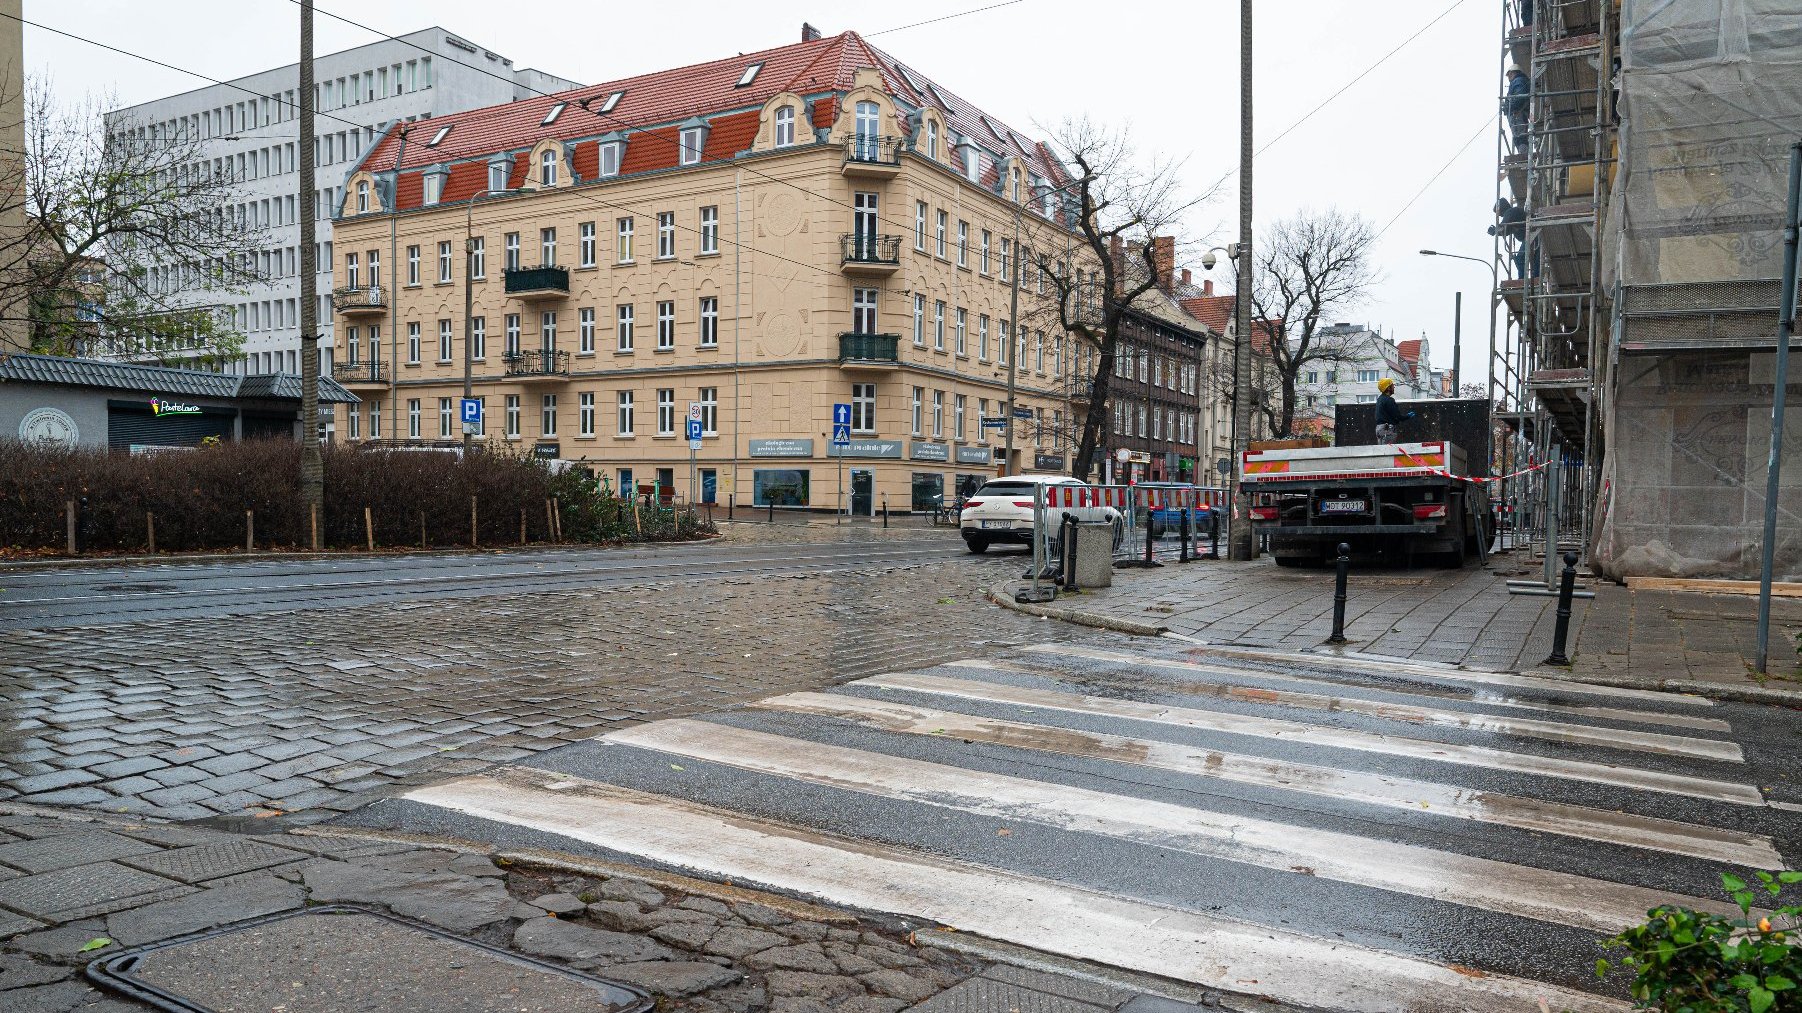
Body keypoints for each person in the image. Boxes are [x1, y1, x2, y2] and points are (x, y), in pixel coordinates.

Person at [1488, 198, 1527, 277]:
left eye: (1498, 213)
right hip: (1534, 235)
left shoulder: (1510, 212)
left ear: (1502, 208)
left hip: (1532, 235)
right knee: (1532, 260)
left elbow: (1503, 227)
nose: (1499, 215)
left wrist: (1495, 230)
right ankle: (1534, 279)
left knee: (1520, 259)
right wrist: (1496, 231)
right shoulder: (1513, 213)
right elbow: (1506, 231)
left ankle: (1522, 282)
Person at [1375, 377, 1415, 443]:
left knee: (1382, 451)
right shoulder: (1389, 400)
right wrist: (1407, 416)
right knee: (1388, 451)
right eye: (1392, 386)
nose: (1394, 387)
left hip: (1379, 429)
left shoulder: (1380, 399)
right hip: (1387, 429)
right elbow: (1397, 416)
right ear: (1388, 388)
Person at [1504, 67, 1530, 151]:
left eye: (1509, 75)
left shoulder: (1518, 80)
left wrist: (1510, 107)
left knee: (1520, 136)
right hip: (1518, 112)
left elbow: (1519, 97)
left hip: (1517, 113)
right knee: (1519, 136)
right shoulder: (1519, 81)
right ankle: (1523, 154)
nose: (1508, 77)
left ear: (1512, 72)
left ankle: (1523, 156)